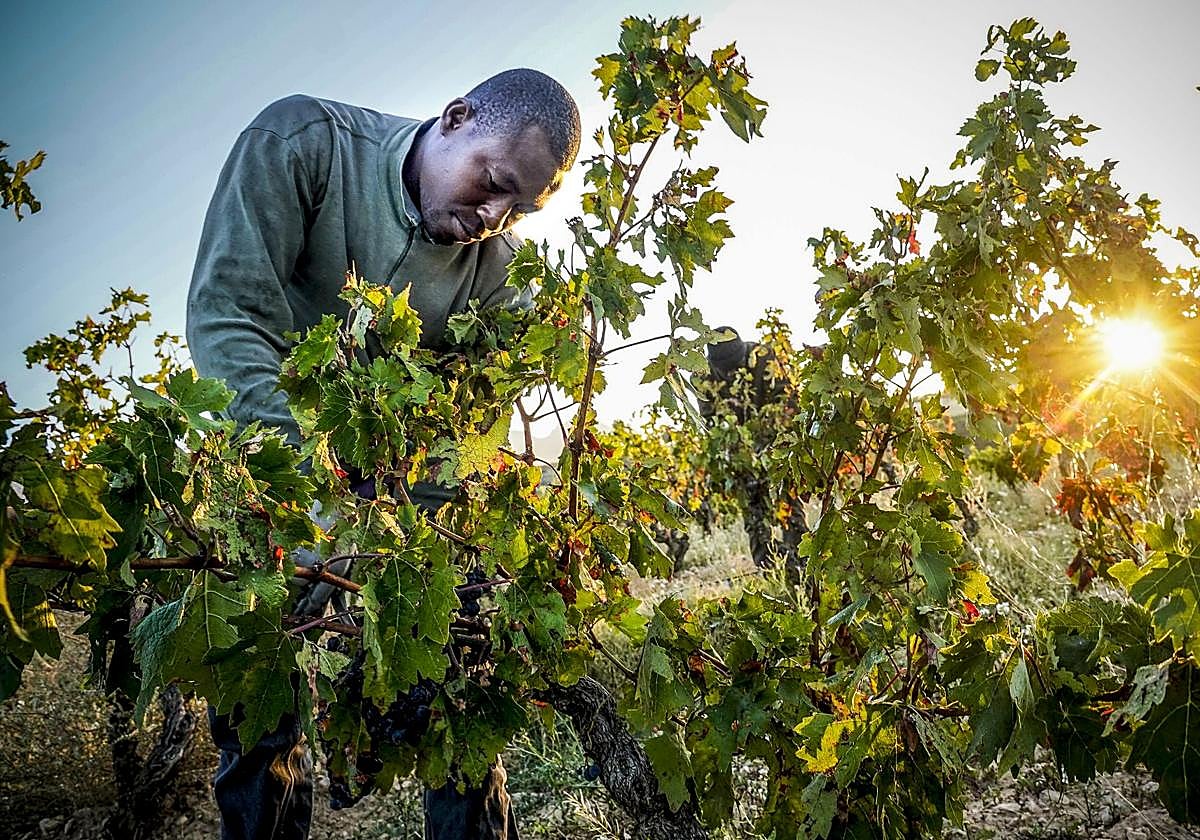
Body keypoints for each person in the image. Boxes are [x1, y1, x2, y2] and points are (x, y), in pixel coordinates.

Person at [186, 69, 580, 840]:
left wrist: (399, 558)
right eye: (493, 183)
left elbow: (464, 437)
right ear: (456, 117)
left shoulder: (499, 278)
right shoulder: (304, 144)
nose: (495, 218)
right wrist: (312, 501)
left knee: (457, 701)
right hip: (266, 472)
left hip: (407, 512)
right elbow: (230, 319)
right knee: (260, 714)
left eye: (520, 207)